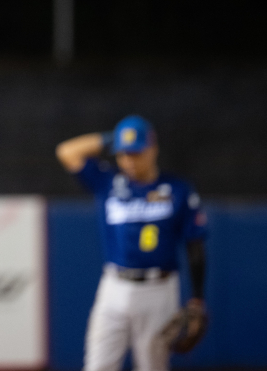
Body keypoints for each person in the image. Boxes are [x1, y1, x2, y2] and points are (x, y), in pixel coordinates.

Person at [55, 115, 207, 371]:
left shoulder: (178, 189)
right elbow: (66, 151)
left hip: (159, 289)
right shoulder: (108, 182)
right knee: (97, 366)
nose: (129, 160)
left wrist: (197, 300)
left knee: (152, 367)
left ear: (153, 149)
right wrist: (113, 138)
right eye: (123, 154)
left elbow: (195, 247)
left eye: (136, 152)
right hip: (114, 286)